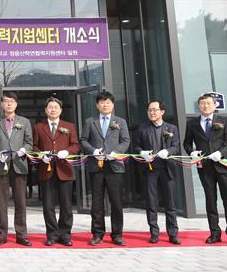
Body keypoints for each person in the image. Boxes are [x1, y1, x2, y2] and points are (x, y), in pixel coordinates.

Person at [183, 93, 227, 246]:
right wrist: (191, 152)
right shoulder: (192, 124)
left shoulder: (224, 121)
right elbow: (187, 143)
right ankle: (214, 233)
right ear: (199, 106)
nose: (206, 106)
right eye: (202, 103)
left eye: (209, 103)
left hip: (223, 167)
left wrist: (220, 153)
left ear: (215, 105)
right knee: (210, 201)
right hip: (205, 168)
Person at [80, 91, 131, 246]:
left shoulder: (120, 122)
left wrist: (116, 152)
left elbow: (125, 140)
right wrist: (93, 151)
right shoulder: (90, 122)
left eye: (108, 102)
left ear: (113, 104)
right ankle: (97, 234)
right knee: (97, 203)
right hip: (96, 166)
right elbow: (83, 140)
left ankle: (117, 234)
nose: (105, 104)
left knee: (116, 202)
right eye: (102, 102)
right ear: (97, 105)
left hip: (115, 166)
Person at [33, 97, 80, 246]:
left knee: (66, 205)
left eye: (55, 107)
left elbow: (76, 145)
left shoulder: (69, 126)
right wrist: (41, 155)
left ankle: (65, 235)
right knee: (48, 206)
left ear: (61, 110)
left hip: (65, 170)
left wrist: (67, 152)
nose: (53, 109)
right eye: (50, 107)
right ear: (46, 110)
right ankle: (52, 235)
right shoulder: (39, 127)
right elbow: (34, 146)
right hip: (46, 170)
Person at [0, 92, 33, 246]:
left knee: (20, 202)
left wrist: (24, 150)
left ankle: (21, 235)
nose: (8, 104)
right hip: (1, 166)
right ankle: (1, 235)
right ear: (1, 104)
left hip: (19, 165)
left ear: (16, 104)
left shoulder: (25, 122)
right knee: (1, 203)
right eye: (6, 101)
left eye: (11, 101)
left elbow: (29, 142)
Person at [133, 100, 181, 245]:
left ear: (162, 112)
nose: (152, 112)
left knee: (170, 203)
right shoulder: (142, 128)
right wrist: (142, 153)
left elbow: (176, 147)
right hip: (150, 170)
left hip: (167, 169)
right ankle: (154, 233)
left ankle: (173, 233)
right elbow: (136, 146)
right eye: (149, 110)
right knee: (151, 203)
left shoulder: (171, 128)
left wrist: (168, 151)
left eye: (155, 110)